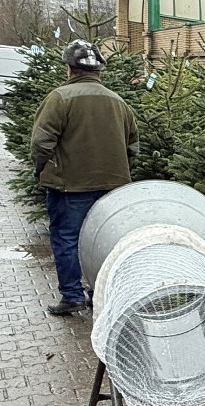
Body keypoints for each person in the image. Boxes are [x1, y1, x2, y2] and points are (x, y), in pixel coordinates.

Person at [31, 40, 139, 315]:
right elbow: (133, 147)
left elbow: (41, 142)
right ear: (98, 70)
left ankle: (72, 295)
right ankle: (99, 292)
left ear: (69, 68)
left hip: (69, 186)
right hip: (113, 188)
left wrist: (41, 169)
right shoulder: (118, 102)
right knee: (104, 241)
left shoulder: (59, 98)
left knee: (66, 238)